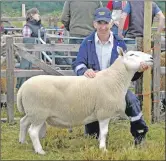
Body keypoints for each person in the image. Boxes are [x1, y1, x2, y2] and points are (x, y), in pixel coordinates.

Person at [73, 7, 150, 145]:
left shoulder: (120, 43)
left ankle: (139, 134)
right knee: (92, 136)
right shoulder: (87, 42)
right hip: (94, 88)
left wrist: (139, 70)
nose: (103, 27)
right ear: (94, 24)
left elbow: (128, 71)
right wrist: (84, 70)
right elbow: (78, 63)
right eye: (99, 23)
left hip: (116, 88)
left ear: (111, 23)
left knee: (131, 100)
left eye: (106, 23)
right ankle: (93, 133)